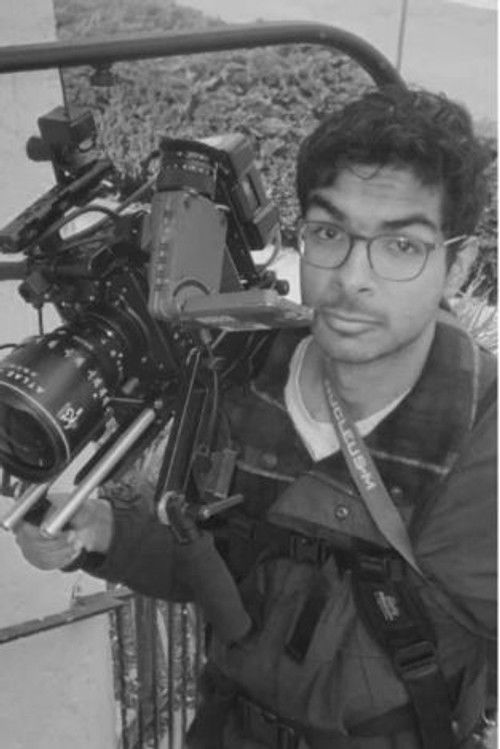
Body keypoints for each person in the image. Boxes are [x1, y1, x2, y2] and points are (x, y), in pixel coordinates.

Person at [15, 85, 497, 749]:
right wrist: (102, 532)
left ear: (458, 265)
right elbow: (212, 561)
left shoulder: (482, 443)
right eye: (329, 233)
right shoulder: (243, 370)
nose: (352, 277)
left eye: (401, 246)